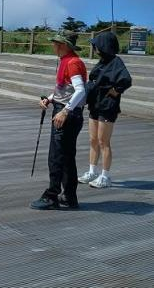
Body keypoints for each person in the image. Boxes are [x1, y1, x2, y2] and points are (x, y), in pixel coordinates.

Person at [31, 31, 87, 210]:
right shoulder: (67, 61)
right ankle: (69, 196)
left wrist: (65, 111)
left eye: (55, 43)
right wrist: (49, 99)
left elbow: (80, 90)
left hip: (67, 114)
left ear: (63, 45)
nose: (53, 46)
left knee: (56, 157)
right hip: (67, 111)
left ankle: (52, 196)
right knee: (67, 156)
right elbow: (63, 89)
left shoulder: (72, 63)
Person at [78, 31, 132, 189]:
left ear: (104, 46)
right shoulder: (102, 62)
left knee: (103, 142)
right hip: (95, 104)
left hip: (108, 107)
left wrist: (115, 91)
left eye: (96, 45)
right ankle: (92, 172)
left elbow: (126, 80)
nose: (94, 48)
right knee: (93, 140)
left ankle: (105, 176)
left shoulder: (116, 62)